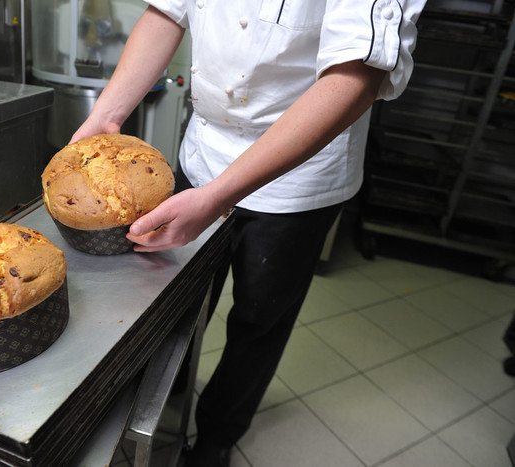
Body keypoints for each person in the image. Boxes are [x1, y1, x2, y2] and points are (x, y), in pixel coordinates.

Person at [70, 1, 426, 465]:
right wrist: (106, 115)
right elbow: (165, 13)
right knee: (173, 305)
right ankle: (162, 404)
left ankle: (219, 433)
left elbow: (358, 75)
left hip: (298, 173)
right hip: (205, 151)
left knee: (259, 319)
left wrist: (219, 196)